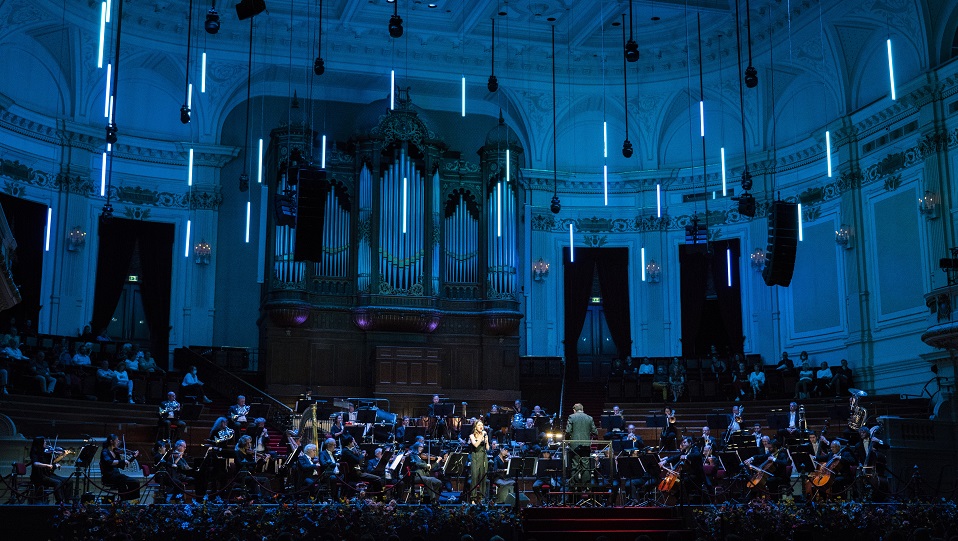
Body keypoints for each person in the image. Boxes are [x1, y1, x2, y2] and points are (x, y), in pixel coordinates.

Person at [29, 436, 73, 504]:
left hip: (49, 475)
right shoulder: (34, 453)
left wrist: (62, 456)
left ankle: (67, 501)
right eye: (44, 442)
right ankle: (60, 502)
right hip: (39, 476)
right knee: (57, 482)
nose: (46, 444)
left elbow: (53, 463)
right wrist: (47, 465)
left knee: (69, 481)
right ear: (40, 443)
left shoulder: (47, 453)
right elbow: (35, 463)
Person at [565, 403, 597, 488]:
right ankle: (586, 485)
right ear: (582, 409)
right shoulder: (589, 418)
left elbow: (568, 431)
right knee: (585, 464)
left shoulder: (572, 417)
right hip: (586, 445)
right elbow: (595, 432)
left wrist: (567, 440)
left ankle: (575, 485)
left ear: (574, 410)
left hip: (574, 445)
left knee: (575, 464)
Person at [100, 434, 140, 500]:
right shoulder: (105, 451)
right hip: (108, 476)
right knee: (122, 480)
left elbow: (124, 464)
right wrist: (122, 461)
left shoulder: (116, 452)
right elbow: (110, 462)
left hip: (117, 475)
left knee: (135, 482)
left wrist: (133, 457)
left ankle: (128, 498)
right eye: (117, 440)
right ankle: (124, 498)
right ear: (111, 441)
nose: (118, 442)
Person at [468, 419, 489, 502]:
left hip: (484, 457)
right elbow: (476, 445)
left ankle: (482, 497)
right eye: (479, 425)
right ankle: (473, 498)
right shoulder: (472, 436)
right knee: (474, 478)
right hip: (475, 457)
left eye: (482, 425)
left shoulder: (484, 435)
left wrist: (486, 441)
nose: (481, 427)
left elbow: (487, 448)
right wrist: (481, 437)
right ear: (475, 427)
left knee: (483, 478)